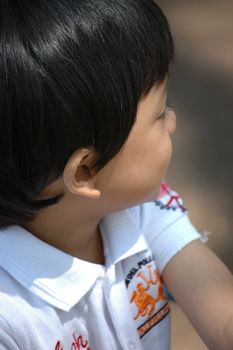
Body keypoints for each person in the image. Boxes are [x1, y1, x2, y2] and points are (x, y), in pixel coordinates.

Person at [0, 0, 232, 349]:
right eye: (160, 113)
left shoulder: (143, 209)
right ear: (86, 171)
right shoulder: (11, 316)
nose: (173, 122)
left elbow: (221, 310)